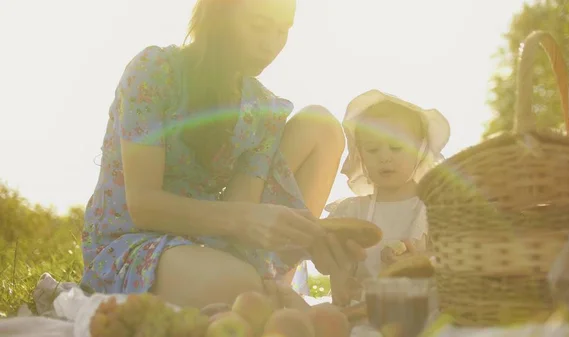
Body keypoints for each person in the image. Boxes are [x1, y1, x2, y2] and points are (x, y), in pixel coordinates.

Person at [81, 0, 365, 310]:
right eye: (258, 26)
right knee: (237, 287)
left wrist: (313, 240)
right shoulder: (154, 72)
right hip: (134, 240)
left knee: (320, 125)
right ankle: (262, 294)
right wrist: (244, 219)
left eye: (282, 31)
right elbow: (144, 206)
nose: (271, 44)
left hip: (211, 237)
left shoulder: (264, 109)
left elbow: (238, 212)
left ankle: (272, 285)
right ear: (221, 16)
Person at [325, 89, 450, 305]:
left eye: (396, 147)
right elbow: (338, 275)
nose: (384, 157)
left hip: (421, 313)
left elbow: (454, 266)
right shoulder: (353, 213)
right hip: (365, 312)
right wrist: (343, 278)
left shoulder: (436, 210)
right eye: (373, 149)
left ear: (419, 150)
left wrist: (421, 261)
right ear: (360, 155)